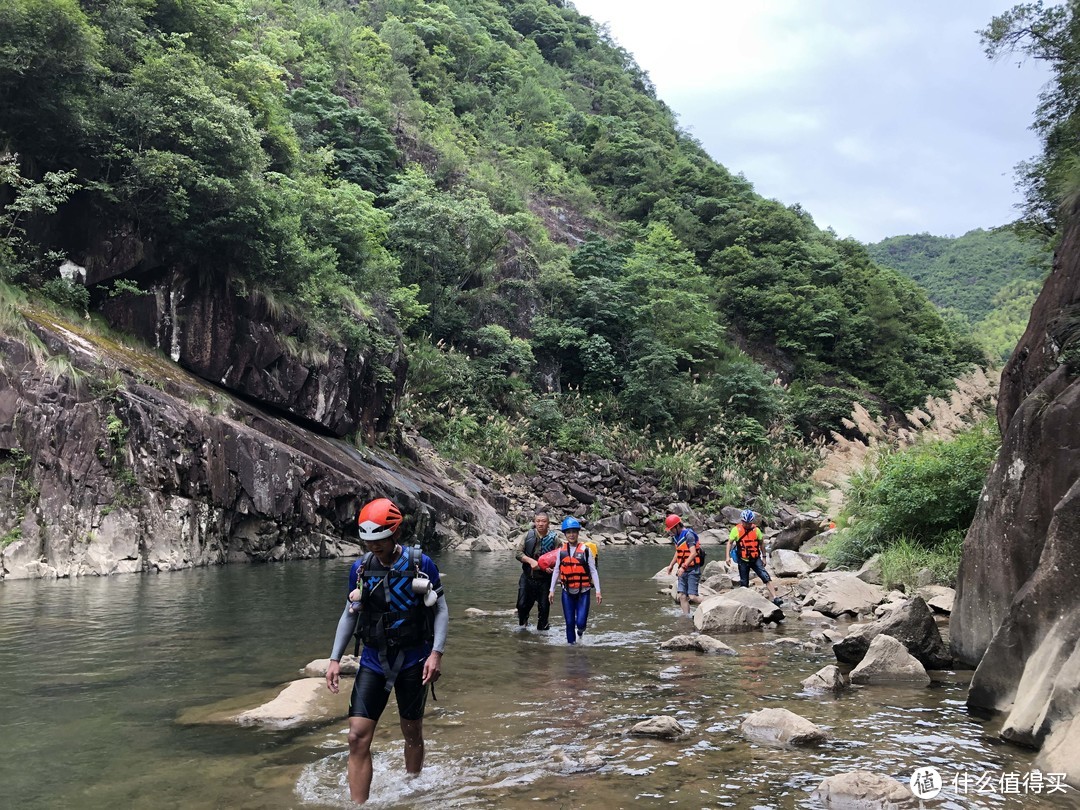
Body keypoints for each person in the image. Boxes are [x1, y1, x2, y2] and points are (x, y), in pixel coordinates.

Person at [325, 498, 449, 805]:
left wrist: (436, 653)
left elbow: (442, 611)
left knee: (412, 733)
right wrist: (334, 659)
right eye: (368, 542)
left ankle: (412, 789)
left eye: (379, 541)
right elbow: (349, 614)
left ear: (395, 534)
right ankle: (359, 805)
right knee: (356, 736)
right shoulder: (360, 568)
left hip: (413, 660)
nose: (373, 547)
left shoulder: (421, 564)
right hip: (374, 660)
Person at [548, 517, 601, 644]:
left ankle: (581, 632)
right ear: (565, 534)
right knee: (569, 623)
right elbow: (556, 571)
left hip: (584, 591)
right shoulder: (561, 551)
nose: (571, 535)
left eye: (574, 532)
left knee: (581, 623)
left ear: (578, 533)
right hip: (567, 591)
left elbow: (593, 570)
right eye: (568, 532)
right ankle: (571, 651)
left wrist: (598, 591)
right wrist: (552, 590)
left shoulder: (586, 551)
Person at [514, 510, 561, 630]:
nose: (540, 524)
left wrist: (554, 569)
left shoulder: (555, 540)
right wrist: (530, 561)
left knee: (544, 610)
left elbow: (561, 558)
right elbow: (518, 553)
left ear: (548, 523)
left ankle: (543, 639)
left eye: (543, 521)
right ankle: (524, 625)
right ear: (534, 522)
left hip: (545, 580)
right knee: (521, 605)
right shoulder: (528, 536)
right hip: (528, 577)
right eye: (538, 521)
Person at [726, 508, 782, 606]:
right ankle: (745, 603)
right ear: (742, 521)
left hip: (755, 559)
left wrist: (764, 557)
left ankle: (775, 598)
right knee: (744, 582)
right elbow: (729, 543)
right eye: (745, 522)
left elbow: (761, 544)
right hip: (743, 560)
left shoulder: (756, 530)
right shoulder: (736, 530)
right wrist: (727, 557)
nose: (747, 525)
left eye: (749, 523)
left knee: (765, 577)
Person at [664, 514, 704, 617]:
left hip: (692, 570)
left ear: (677, 526)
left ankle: (711, 604)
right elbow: (678, 552)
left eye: (671, 529)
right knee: (682, 596)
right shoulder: (676, 537)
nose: (670, 531)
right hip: (682, 570)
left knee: (692, 596)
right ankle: (686, 618)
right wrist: (671, 565)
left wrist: (683, 567)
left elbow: (693, 553)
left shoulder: (688, 535)